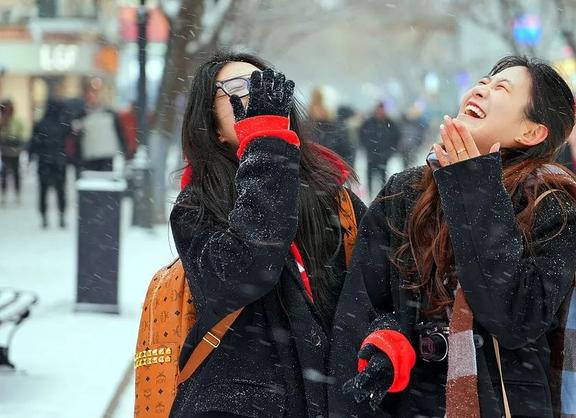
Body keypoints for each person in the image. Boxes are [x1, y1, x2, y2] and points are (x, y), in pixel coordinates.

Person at [331, 56, 576, 418]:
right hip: (406, 400)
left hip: (501, 400)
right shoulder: (405, 191)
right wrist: (385, 341)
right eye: (484, 82)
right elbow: (362, 302)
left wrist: (474, 187)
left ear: (532, 132)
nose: (481, 90)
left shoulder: (553, 208)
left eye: (501, 88)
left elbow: (514, 318)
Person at [168, 52, 366, 418]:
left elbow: (378, 288)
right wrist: (266, 146)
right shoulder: (195, 206)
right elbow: (245, 272)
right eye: (239, 88)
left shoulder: (332, 196)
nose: (259, 96)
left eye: (266, 85)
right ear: (211, 124)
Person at [29, 99, 72, 228]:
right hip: (59, 162)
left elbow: (34, 143)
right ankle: (62, 216)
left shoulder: (41, 124)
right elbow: (70, 137)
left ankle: (44, 218)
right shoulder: (63, 124)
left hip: (44, 162)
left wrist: (32, 156)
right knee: (61, 191)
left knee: (43, 191)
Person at [75, 89, 126, 172]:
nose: (92, 99)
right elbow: (77, 135)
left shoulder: (110, 113)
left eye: (94, 96)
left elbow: (119, 131)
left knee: (105, 178)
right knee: (93, 178)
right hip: (90, 153)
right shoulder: (82, 115)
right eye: (90, 97)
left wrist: (124, 149)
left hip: (106, 153)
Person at [359, 102, 401, 197]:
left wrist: (390, 151)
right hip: (371, 155)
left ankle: (382, 196)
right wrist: (367, 147)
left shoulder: (390, 123)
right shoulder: (368, 122)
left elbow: (396, 137)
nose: (380, 112)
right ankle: (369, 195)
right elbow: (362, 135)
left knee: (383, 177)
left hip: (384, 156)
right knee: (369, 176)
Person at [0, 100, 27, 204]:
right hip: (5, 149)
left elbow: (22, 133)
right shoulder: (2, 120)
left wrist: (20, 144)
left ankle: (17, 194)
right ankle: (4, 194)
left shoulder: (17, 120)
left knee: (16, 172)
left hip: (15, 149)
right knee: (4, 173)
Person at [399, 102, 427, 169]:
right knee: (407, 163)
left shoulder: (417, 123)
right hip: (406, 146)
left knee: (412, 163)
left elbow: (420, 134)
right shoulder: (405, 123)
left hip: (413, 145)